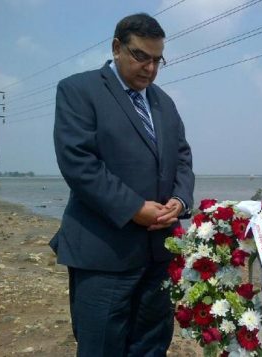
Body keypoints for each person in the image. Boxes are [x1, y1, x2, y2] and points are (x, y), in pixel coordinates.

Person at [50, 13, 195, 357]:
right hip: (104, 253)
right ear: (117, 47)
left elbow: (183, 158)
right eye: (140, 56)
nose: (150, 68)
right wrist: (134, 209)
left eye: (157, 60)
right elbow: (79, 164)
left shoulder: (163, 101)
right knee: (101, 347)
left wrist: (179, 199)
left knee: (151, 345)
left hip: (159, 252)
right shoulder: (79, 90)